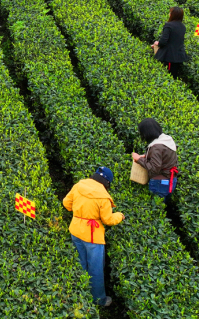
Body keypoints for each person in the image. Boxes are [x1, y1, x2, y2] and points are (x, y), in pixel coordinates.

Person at [62, 167, 124, 307]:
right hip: (93, 237)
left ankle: (80, 294)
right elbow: (108, 220)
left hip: (76, 231)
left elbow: (66, 203)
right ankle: (99, 300)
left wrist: (80, 212)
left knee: (80, 264)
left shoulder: (79, 186)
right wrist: (119, 216)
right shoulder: (103, 197)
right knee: (95, 269)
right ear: (107, 183)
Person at [132, 118, 179, 200]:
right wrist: (147, 156)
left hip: (159, 183)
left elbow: (154, 168)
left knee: (156, 206)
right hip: (171, 180)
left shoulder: (156, 147)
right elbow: (164, 156)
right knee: (163, 206)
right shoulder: (167, 139)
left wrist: (139, 159)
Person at [152, 6, 187, 76]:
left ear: (172, 15)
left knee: (167, 75)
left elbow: (163, 41)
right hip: (179, 55)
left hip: (169, 57)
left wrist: (157, 43)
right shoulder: (183, 26)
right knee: (174, 75)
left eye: (170, 12)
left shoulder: (169, 25)